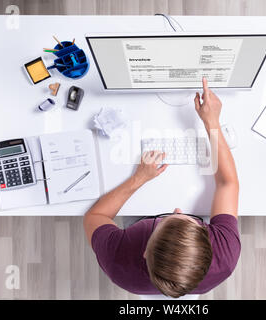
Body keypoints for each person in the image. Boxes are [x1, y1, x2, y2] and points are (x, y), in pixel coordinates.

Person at [84, 78, 240, 298]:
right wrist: (212, 123)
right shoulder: (225, 256)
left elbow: (96, 215)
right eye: (187, 219)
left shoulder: (118, 263)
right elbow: (228, 182)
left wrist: (138, 178)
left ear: (145, 251)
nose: (177, 209)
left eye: (168, 219)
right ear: (207, 243)